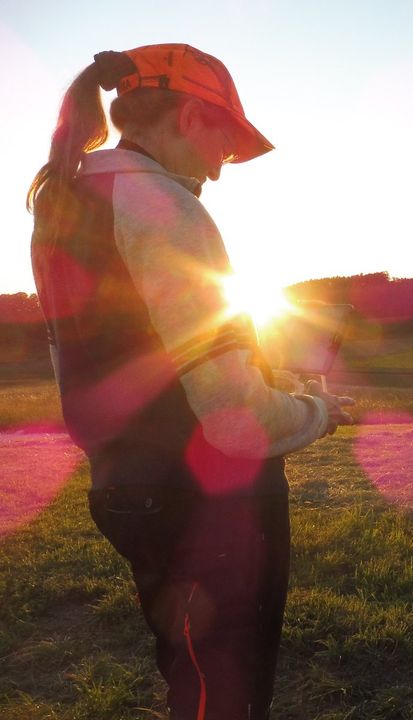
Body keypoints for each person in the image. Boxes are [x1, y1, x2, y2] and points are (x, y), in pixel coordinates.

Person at [27, 44, 352, 719]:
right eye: (225, 145)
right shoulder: (163, 206)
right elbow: (235, 417)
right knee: (225, 694)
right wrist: (317, 410)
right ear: (189, 116)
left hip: (124, 486)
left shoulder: (64, 197)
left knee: (193, 679)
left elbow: (96, 358)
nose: (221, 170)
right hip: (205, 501)